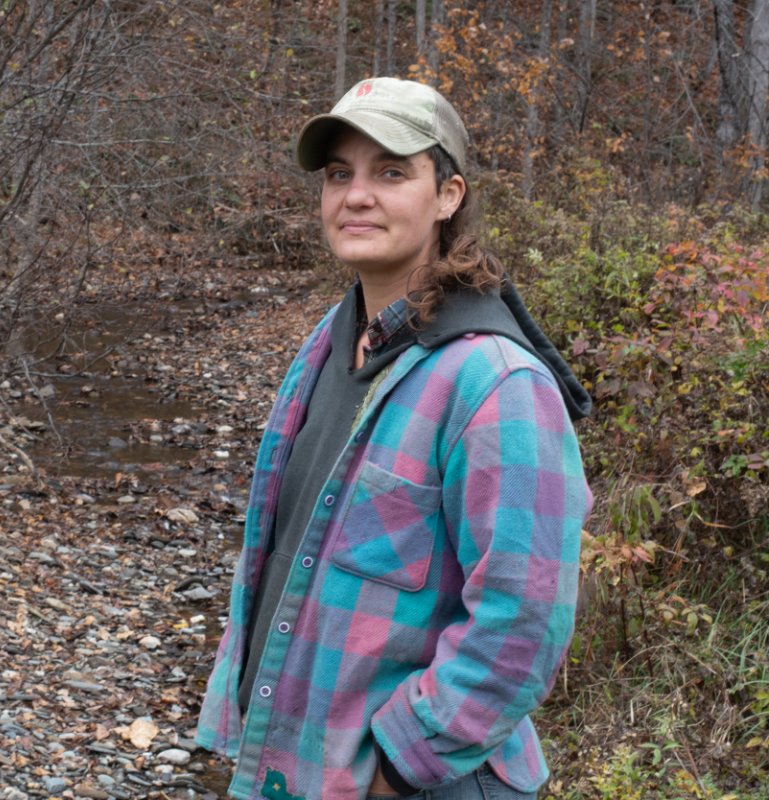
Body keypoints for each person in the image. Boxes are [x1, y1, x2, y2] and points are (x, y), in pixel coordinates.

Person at [196, 78, 593, 799]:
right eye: (338, 174)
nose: (355, 195)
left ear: (446, 195)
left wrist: (397, 769)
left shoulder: (495, 383)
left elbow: (523, 619)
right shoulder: (331, 343)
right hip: (300, 766)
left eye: (389, 171)